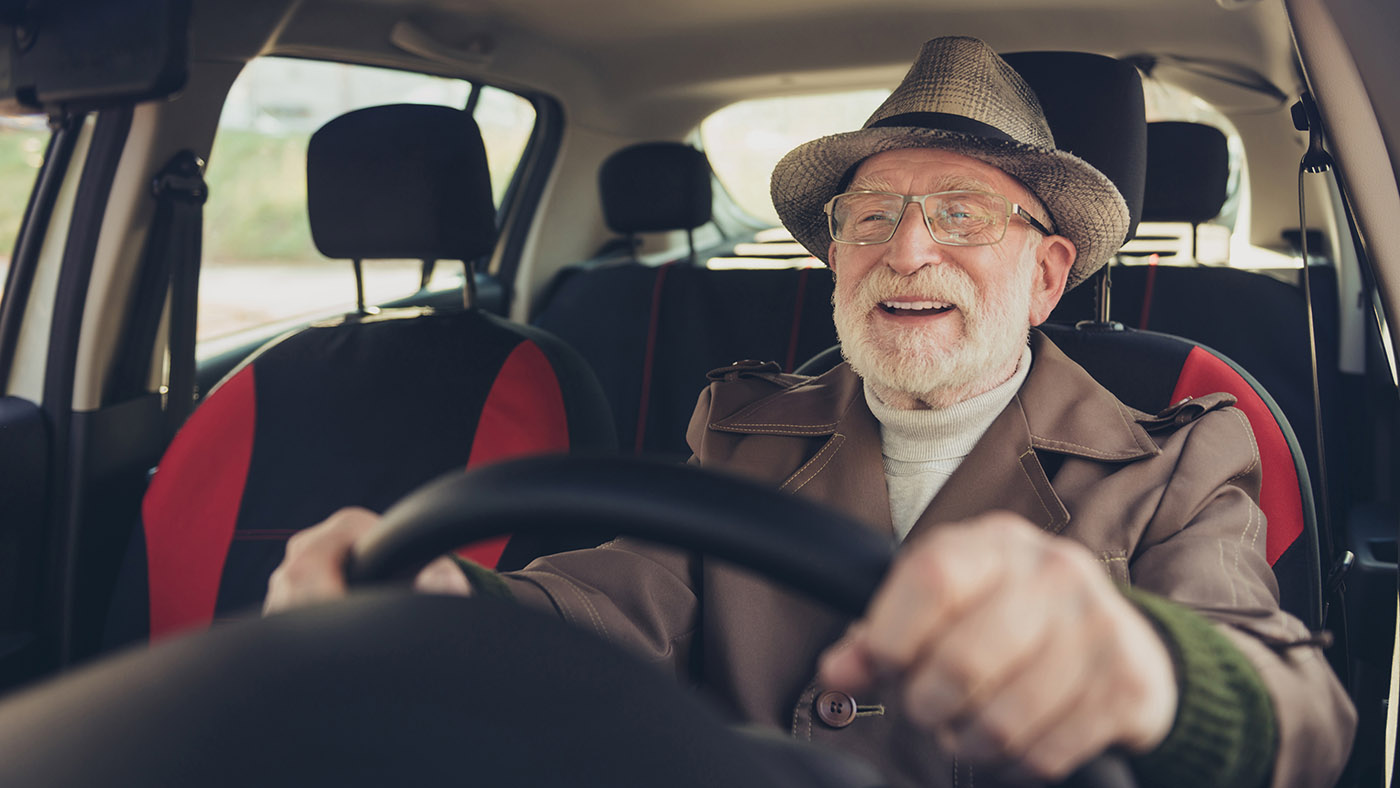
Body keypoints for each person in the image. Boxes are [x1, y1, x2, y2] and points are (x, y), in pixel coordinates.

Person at [265, 36, 1355, 788]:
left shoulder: (1177, 449)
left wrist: (1148, 665)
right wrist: (449, 600)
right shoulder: (736, 419)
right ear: (834, 258)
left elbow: (1301, 709)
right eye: (868, 213)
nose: (906, 247)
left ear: (1045, 274)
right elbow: (618, 598)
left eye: (961, 212)